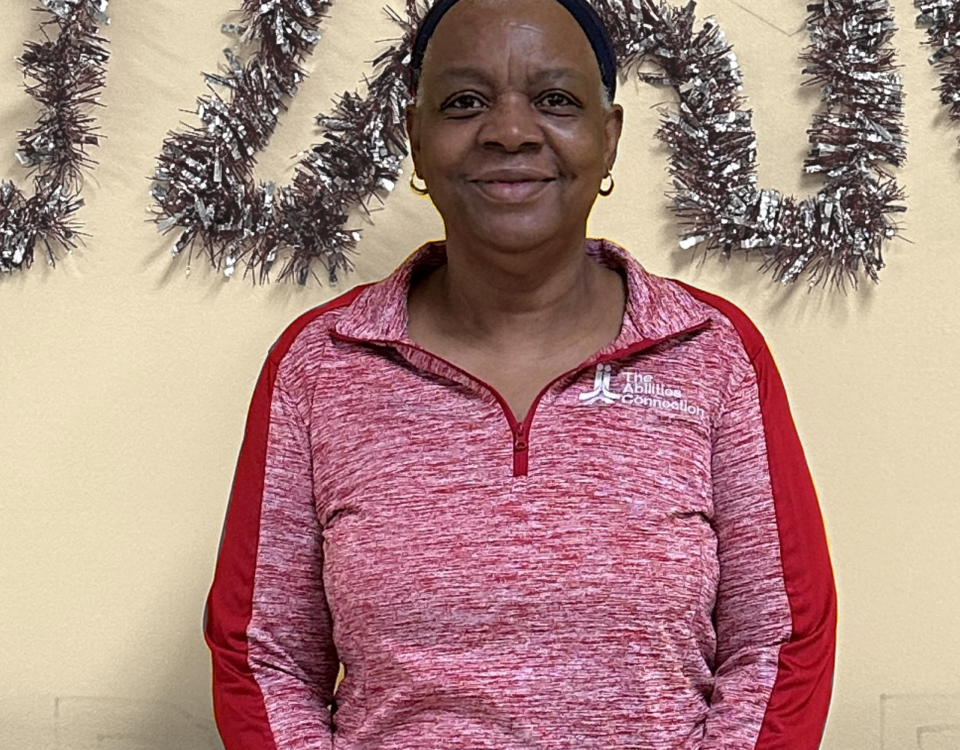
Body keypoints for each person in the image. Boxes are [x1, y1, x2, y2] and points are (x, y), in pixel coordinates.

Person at [203, 0, 838, 747]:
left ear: (609, 137)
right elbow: (263, 656)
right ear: (415, 137)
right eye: (464, 102)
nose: (509, 132)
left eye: (556, 100)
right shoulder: (321, 362)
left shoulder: (711, 352)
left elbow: (782, 642)